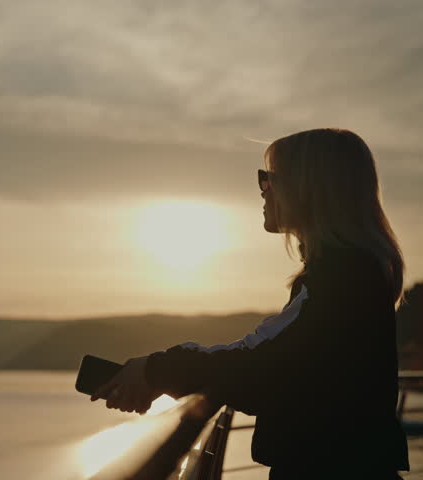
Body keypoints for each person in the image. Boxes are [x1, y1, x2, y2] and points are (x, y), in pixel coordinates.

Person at [91, 128, 410, 479]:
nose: (262, 191)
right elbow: (273, 361)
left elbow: (260, 365)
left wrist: (154, 370)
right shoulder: (350, 272)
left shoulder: (342, 277)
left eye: (268, 179)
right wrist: (158, 374)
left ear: (306, 189)